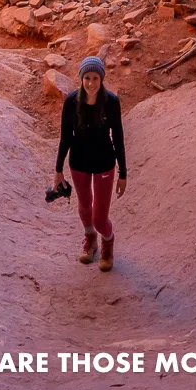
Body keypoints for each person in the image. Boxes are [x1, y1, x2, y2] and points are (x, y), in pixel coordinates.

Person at [53, 55, 127, 270]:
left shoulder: (111, 102)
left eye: (95, 78)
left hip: (104, 162)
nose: (91, 83)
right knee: (84, 207)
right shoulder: (71, 102)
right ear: (81, 78)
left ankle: (107, 240)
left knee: (99, 216)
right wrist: (58, 170)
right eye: (87, 78)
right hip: (79, 163)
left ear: (101, 79)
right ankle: (90, 239)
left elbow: (119, 138)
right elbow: (65, 137)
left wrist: (123, 173)